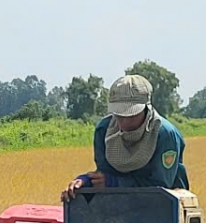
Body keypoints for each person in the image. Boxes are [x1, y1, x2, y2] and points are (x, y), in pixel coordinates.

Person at [61, 75, 190, 203]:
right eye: (119, 115)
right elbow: (103, 174)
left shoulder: (165, 135)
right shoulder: (103, 130)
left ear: (146, 108)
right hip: (119, 208)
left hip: (164, 210)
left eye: (131, 115)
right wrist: (86, 181)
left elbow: (160, 189)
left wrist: (115, 183)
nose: (124, 123)